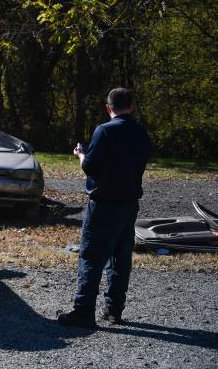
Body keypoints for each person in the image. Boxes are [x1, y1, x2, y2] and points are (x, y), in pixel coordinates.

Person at [58, 88, 150, 327]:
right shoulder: (141, 133)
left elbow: (90, 166)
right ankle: (113, 310)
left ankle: (83, 311)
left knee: (90, 256)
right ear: (130, 106)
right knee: (120, 257)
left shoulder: (104, 131)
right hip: (129, 203)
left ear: (109, 108)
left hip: (104, 203)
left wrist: (81, 154)